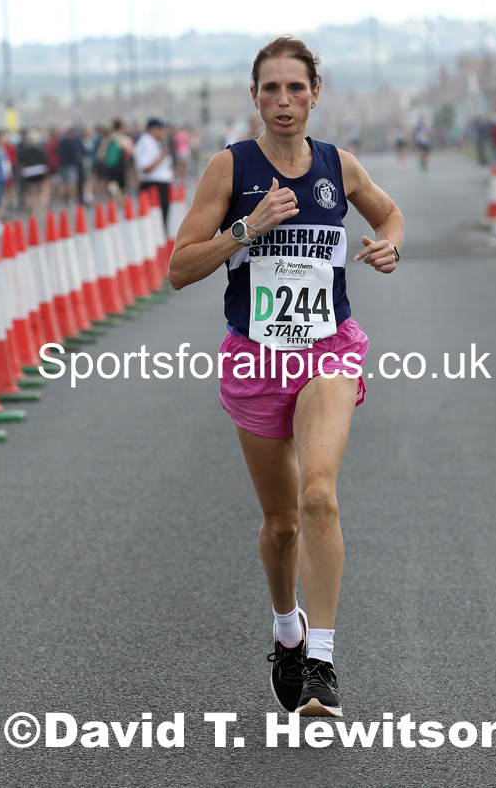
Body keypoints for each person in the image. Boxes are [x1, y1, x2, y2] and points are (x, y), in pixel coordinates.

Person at [168, 36, 403, 717]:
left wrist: (389, 243)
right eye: (269, 88)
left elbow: (385, 213)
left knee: (319, 494)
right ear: (254, 97)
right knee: (280, 524)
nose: (282, 100)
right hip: (256, 357)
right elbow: (180, 269)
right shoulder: (228, 168)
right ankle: (287, 630)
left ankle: (322, 662)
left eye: (294, 88)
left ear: (314, 95)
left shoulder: (337, 165)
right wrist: (247, 227)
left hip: (327, 346)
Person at [133, 117, 173, 225]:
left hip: (160, 184)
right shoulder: (146, 142)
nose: (163, 132)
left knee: (161, 219)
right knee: (154, 221)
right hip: (153, 185)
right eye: (161, 129)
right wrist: (161, 157)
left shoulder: (155, 142)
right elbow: (145, 168)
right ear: (153, 129)